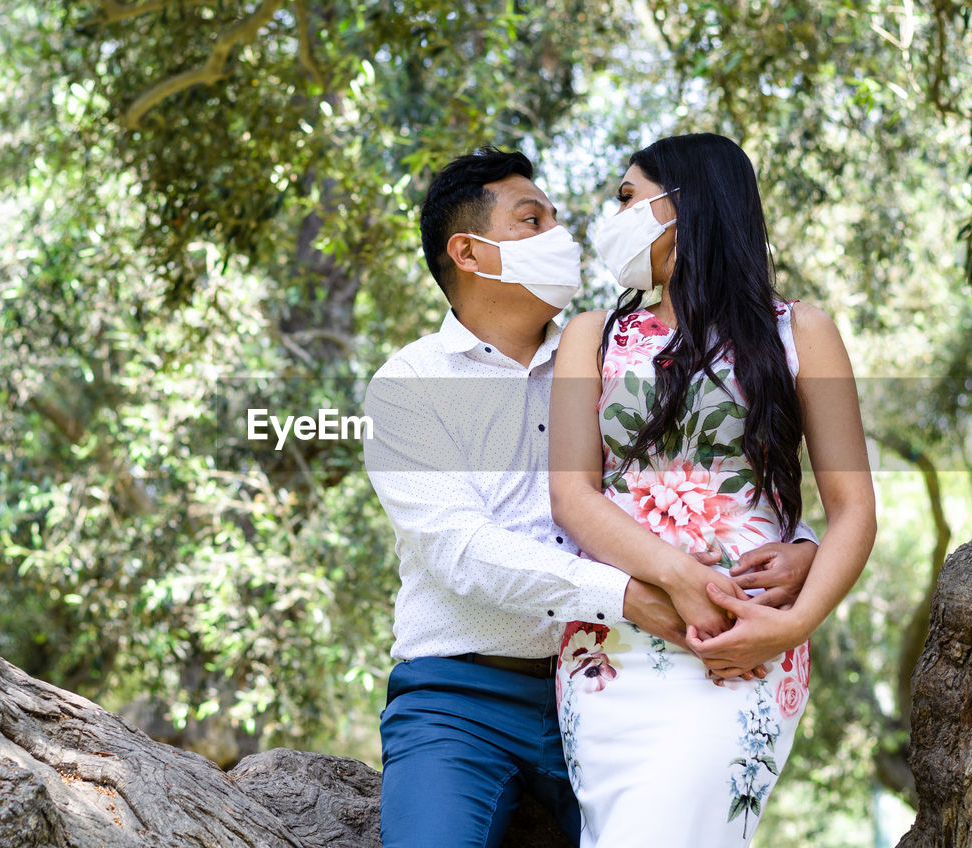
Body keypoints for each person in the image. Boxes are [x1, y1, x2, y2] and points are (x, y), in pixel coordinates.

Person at [363, 145, 822, 848]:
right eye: (533, 219)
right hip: (464, 696)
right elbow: (460, 550)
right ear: (470, 252)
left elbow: (696, 475)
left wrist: (798, 547)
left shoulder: (613, 353)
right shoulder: (409, 386)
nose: (566, 235)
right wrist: (627, 595)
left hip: (627, 667)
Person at [549, 133, 877, 846]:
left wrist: (796, 623)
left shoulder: (801, 331)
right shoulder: (591, 337)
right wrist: (679, 577)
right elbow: (572, 497)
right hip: (613, 652)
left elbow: (854, 512)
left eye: (628, 198)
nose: (614, 216)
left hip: (745, 647)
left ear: (686, 203)